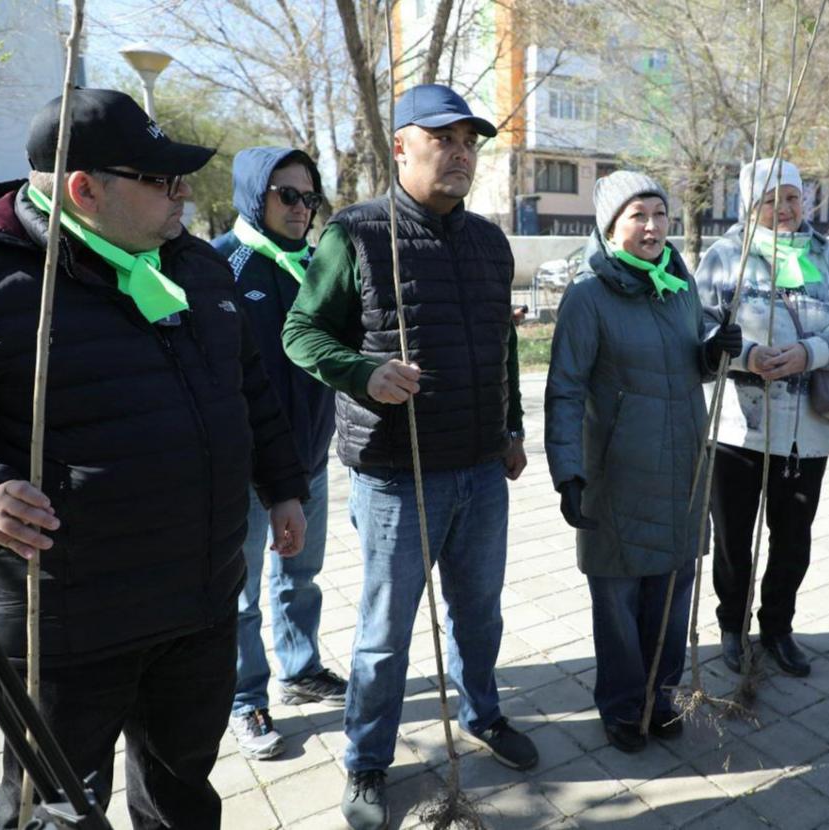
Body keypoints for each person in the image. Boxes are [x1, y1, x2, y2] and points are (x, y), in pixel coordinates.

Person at [0, 89, 308, 828]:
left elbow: (249, 387)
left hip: (199, 600)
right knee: (50, 810)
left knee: (182, 788)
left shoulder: (196, 265)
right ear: (83, 189)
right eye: (160, 180)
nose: (183, 193)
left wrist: (283, 486)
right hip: (66, 621)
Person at [282, 83, 536, 830]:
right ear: (401, 146)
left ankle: (482, 713)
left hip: (481, 469)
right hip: (398, 474)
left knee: (479, 614)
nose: (460, 154)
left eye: (468, 142)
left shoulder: (489, 241)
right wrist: (363, 373)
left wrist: (511, 427)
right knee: (385, 635)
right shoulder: (357, 233)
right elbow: (301, 332)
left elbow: (502, 343)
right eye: (442, 139)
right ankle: (367, 759)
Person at [545, 170, 743, 752]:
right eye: (638, 216)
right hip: (619, 472)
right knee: (618, 599)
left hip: (683, 465)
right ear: (610, 226)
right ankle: (622, 706)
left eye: (659, 214)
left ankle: (662, 696)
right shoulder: (588, 296)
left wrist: (711, 355)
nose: (653, 227)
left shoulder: (678, 284)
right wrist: (567, 472)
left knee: (673, 593)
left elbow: (684, 364)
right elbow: (565, 389)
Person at [695, 159, 829, 678]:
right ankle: (732, 626)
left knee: (793, 537)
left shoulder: (827, 255)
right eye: (770, 200)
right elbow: (698, 323)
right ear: (749, 206)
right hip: (738, 429)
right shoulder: (726, 255)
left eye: (792, 197)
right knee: (733, 538)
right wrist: (747, 355)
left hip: (805, 434)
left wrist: (811, 352)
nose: (784, 208)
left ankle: (777, 627)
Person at [212, 147, 347, 760]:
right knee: (240, 595)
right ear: (253, 195)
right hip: (246, 470)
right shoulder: (219, 264)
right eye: (286, 195)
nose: (300, 208)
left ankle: (301, 668)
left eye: (309, 197)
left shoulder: (317, 264)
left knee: (301, 575)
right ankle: (245, 699)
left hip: (309, 458)